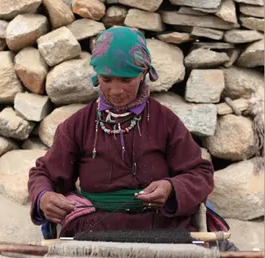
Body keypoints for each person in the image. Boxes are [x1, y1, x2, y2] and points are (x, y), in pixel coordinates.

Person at [28, 26, 219, 238]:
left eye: (126, 80)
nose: (116, 90)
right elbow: (43, 173)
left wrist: (171, 187)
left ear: (143, 74)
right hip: (95, 231)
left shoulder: (165, 122)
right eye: (106, 79)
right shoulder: (76, 126)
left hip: (161, 229)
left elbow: (201, 173)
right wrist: (44, 197)